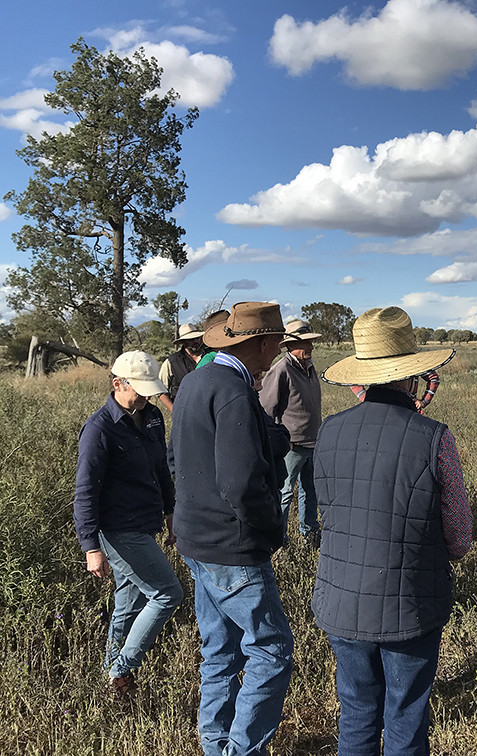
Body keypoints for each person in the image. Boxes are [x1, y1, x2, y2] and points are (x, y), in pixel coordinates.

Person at [313, 306, 472, 755]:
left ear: (361, 376)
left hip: (341, 598)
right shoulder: (434, 437)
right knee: (405, 715)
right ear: (411, 376)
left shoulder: (328, 431)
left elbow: (328, 508)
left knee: (358, 712)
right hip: (411, 601)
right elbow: (458, 534)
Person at [169, 302, 293, 756]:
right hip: (231, 546)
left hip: (196, 538)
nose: (279, 349)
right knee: (272, 650)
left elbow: (176, 458)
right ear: (260, 343)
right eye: (277, 341)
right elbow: (240, 483)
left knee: (220, 652)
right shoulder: (234, 391)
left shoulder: (196, 381)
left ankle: (215, 743)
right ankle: (240, 751)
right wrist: (270, 531)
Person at [73, 351, 183, 696]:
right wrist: (91, 546)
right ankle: (121, 669)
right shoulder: (99, 429)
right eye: (139, 389)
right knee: (167, 593)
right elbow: (86, 491)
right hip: (120, 528)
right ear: (117, 383)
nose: (147, 397)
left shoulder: (150, 417)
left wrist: (170, 512)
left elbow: (161, 469)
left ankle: (111, 677)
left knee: (129, 603)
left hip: (146, 520)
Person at [259, 319, 323, 546]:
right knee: (285, 493)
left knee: (310, 490)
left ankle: (310, 532)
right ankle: (280, 540)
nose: (310, 347)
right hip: (292, 446)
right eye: (305, 343)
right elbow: (266, 409)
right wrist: (278, 439)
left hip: (313, 442)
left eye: (310, 342)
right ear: (289, 346)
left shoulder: (310, 367)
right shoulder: (281, 370)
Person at [158, 323, 204, 412]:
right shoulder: (171, 362)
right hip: (184, 412)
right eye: (191, 339)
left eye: (197, 338)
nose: (195, 341)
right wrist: (174, 411)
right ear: (183, 342)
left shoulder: (211, 356)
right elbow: (161, 390)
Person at [349, 369, 440, 413]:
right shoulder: (414, 362)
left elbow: (433, 379)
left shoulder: (416, 363)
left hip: (375, 408)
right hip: (406, 410)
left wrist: (424, 401)